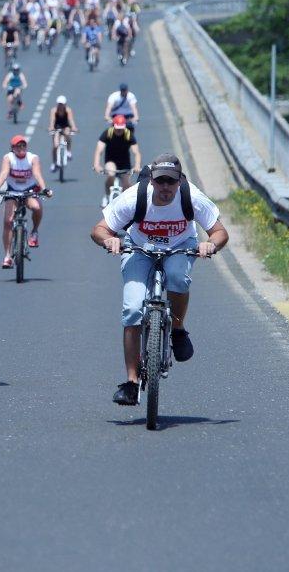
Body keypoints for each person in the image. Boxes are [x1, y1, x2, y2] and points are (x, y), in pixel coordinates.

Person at [90, 154, 229, 406]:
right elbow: (99, 229)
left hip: (179, 245)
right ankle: (131, 383)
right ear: (152, 181)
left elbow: (220, 232)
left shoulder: (192, 197)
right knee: (132, 309)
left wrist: (209, 244)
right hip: (139, 248)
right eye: (161, 181)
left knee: (177, 277)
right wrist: (109, 239)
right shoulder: (134, 196)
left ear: (179, 182)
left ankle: (177, 328)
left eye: (171, 182)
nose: (166, 187)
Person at [0, 135, 51, 266]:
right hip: (12, 191)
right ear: (12, 148)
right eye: (17, 146)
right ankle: (7, 256)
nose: (21, 148)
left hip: (29, 190)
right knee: (8, 221)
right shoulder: (8, 158)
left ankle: (34, 232)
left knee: (36, 207)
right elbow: (4, 173)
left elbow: (37, 174)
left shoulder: (32, 158)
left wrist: (45, 189)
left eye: (23, 145)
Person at [94, 115, 141, 205]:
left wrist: (137, 165)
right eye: (117, 128)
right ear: (113, 126)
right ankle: (107, 196)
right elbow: (99, 150)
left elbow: (136, 152)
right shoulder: (107, 133)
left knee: (126, 184)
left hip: (125, 163)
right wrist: (96, 164)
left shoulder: (128, 134)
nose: (119, 131)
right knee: (111, 174)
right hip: (111, 161)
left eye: (121, 128)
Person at [47, 95, 78, 172]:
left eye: (62, 104)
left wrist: (74, 127)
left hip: (65, 126)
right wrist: (51, 127)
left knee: (67, 134)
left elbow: (71, 120)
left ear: (65, 104)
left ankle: (68, 151)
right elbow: (52, 120)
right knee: (55, 145)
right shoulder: (54, 110)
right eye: (59, 104)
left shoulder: (68, 110)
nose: (60, 105)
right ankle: (54, 163)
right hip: (57, 127)